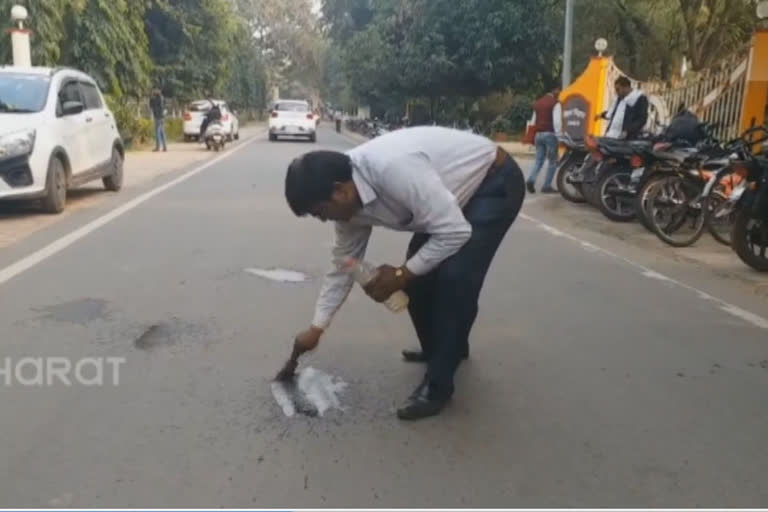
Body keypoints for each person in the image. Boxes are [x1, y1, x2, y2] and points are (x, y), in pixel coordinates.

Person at [284, 126, 526, 420]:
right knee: (419, 276)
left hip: (491, 183)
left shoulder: (393, 169)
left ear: (340, 190)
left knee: (455, 279)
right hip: (445, 201)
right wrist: (317, 328)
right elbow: (343, 266)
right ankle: (443, 349)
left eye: (320, 211)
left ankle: (439, 385)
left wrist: (400, 275)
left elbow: (454, 232)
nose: (323, 220)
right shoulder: (347, 207)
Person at [526, 86, 562, 194]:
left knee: (538, 160)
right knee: (553, 161)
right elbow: (557, 122)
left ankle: (531, 179)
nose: (560, 93)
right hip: (550, 134)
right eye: (559, 90)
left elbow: (533, 122)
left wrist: (532, 136)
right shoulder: (556, 103)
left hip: (538, 135)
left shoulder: (537, 103)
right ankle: (546, 186)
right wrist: (559, 137)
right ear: (554, 90)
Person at [149, 88, 167, 152]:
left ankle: (158, 147)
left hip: (158, 117)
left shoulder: (155, 99)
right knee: (162, 132)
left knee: (157, 132)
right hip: (162, 117)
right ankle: (165, 147)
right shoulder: (163, 98)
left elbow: (151, 105)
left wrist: (151, 96)